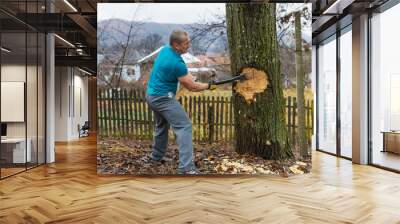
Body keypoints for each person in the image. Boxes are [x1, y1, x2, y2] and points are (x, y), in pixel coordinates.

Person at [145, 29, 217, 174]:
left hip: (151, 95)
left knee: (161, 126)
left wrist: (192, 77)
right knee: (184, 126)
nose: (188, 45)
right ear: (176, 45)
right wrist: (209, 86)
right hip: (163, 98)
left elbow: (184, 74)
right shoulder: (176, 63)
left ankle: (156, 157)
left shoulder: (166, 50)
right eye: (186, 43)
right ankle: (186, 168)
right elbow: (192, 87)